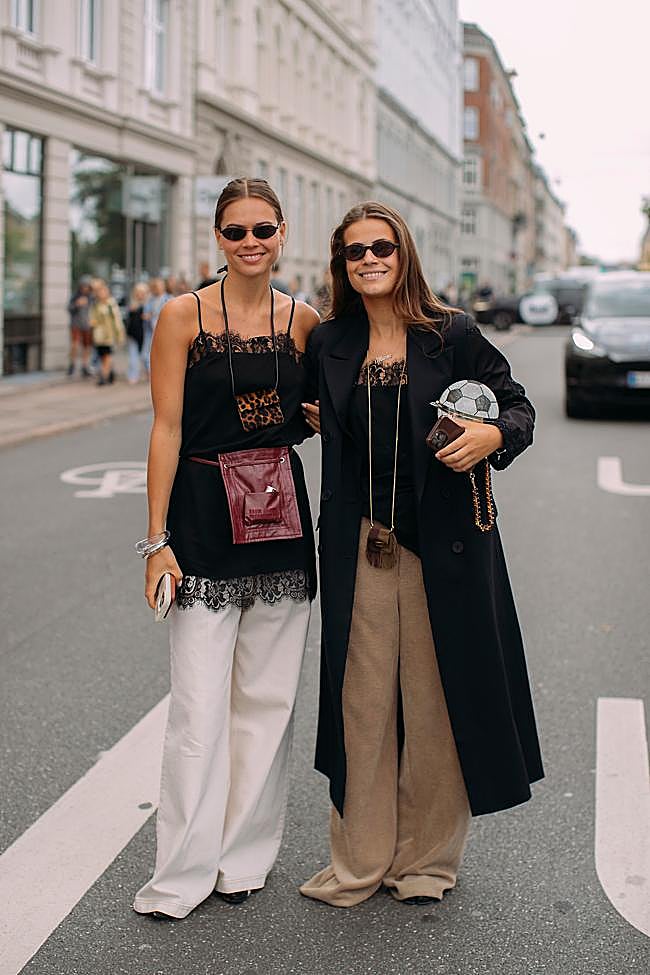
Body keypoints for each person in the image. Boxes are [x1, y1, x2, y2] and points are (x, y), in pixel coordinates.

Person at [300, 201, 543, 908]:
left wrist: (494, 438)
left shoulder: (452, 334)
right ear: (341, 264)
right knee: (361, 706)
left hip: (446, 549)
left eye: (382, 247)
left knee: (437, 706)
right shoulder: (332, 341)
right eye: (355, 251)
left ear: (403, 253)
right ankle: (360, 859)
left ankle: (427, 861)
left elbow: (517, 405)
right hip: (362, 546)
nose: (370, 259)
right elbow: (294, 412)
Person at [133, 177, 320, 920]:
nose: (250, 243)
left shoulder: (304, 320)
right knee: (199, 706)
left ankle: (243, 859)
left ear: (283, 234)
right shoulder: (183, 315)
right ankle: (181, 873)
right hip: (205, 520)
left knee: (268, 704)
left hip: (279, 515)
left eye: (263, 230)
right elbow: (166, 429)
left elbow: (320, 411)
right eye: (236, 231)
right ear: (219, 238)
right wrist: (156, 541)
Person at [89, 280, 126, 385]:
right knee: (102, 356)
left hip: (109, 335)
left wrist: (119, 335)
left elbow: (117, 320)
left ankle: (103, 376)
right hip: (99, 335)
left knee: (106, 356)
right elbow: (93, 318)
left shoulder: (111, 304)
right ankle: (110, 373)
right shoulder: (96, 304)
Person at [142, 278, 171, 374]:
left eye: (159, 286)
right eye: (155, 287)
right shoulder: (150, 300)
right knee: (146, 354)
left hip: (164, 331)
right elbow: (145, 313)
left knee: (163, 353)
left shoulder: (169, 299)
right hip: (150, 331)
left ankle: (159, 373)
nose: (157, 289)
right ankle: (152, 373)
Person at [67, 276, 93, 377]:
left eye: (87, 286)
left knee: (87, 346)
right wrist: (77, 304)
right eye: (83, 286)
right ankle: (72, 365)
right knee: (75, 345)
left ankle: (85, 365)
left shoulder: (91, 297)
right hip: (76, 325)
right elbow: (69, 308)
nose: (85, 288)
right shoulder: (75, 296)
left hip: (87, 325)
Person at [125, 282, 149, 383]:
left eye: (142, 293)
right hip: (133, 334)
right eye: (138, 292)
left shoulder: (148, 305)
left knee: (145, 356)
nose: (140, 295)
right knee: (133, 357)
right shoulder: (132, 304)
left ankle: (149, 374)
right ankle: (133, 375)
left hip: (145, 334)